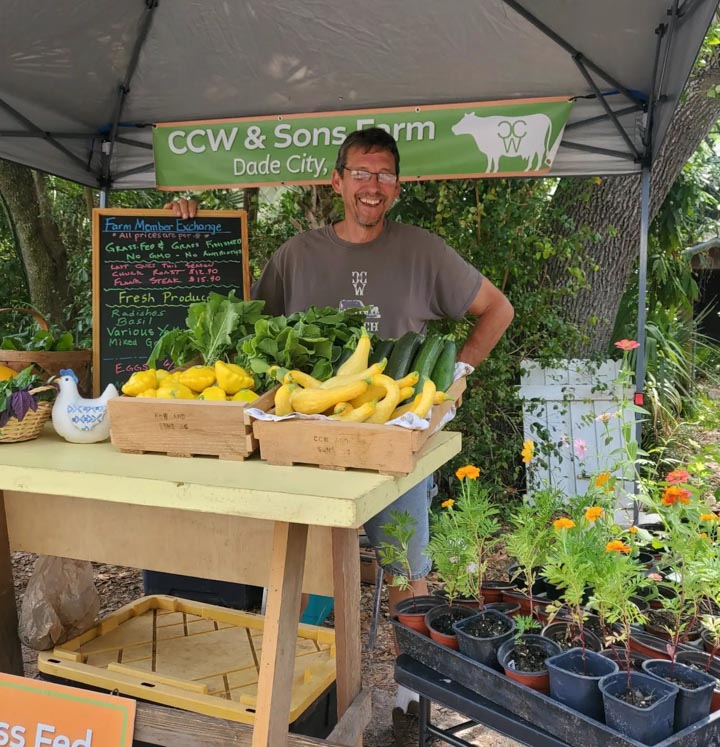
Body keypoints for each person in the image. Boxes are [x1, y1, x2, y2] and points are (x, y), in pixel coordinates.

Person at [167, 126, 513, 714]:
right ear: (337, 181)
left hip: (392, 441)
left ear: (398, 185)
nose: (372, 186)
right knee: (301, 568)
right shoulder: (296, 257)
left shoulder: (424, 252)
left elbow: (497, 309)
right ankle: (303, 688)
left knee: (406, 569)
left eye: (383, 175)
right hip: (304, 444)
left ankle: (412, 697)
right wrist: (189, 236)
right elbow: (245, 329)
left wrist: (460, 373)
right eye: (361, 173)